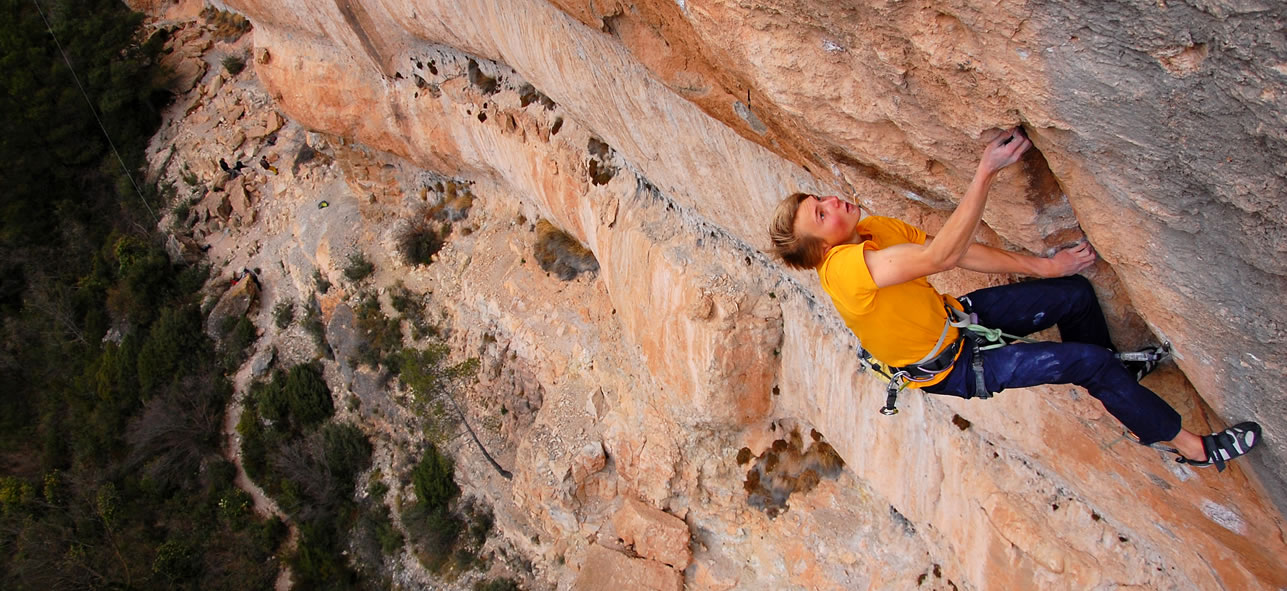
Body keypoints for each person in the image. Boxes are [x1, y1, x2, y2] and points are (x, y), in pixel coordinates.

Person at [767, 127, 1261, 472]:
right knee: (1088, 364)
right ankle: (1192, 448)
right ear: (823, 249)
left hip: (954, 322)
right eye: (821, 215)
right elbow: (942, 255)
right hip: (954, 368)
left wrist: (1047, 267)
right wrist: (985, 173)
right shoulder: (843, 270)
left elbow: (960, 250)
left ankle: (1120, 380)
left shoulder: (872, 230)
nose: (831, 202)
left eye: (819, 199)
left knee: (1075, 294)